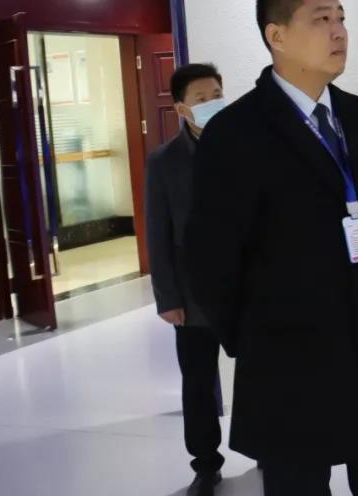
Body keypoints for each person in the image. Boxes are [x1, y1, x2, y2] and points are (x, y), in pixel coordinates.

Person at [185, 0, 358, 496]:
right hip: (289, 361)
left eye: (342, 19)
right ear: (277, 35)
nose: (339, 32)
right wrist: (255, 338)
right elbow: (210, 260)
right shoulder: (235, 133)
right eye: (321, 19)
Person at [146, 63, 226, 496]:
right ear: (181, 108)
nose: (213, 103)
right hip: (192, 296)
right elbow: (158, 233)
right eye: (202, 98)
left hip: (247, 288)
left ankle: (270, 449)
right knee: (197, 383)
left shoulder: (245, 146)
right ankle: (205, 463)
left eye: (217, 94)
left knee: (263, 374)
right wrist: (167, 298)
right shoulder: (164, 162)